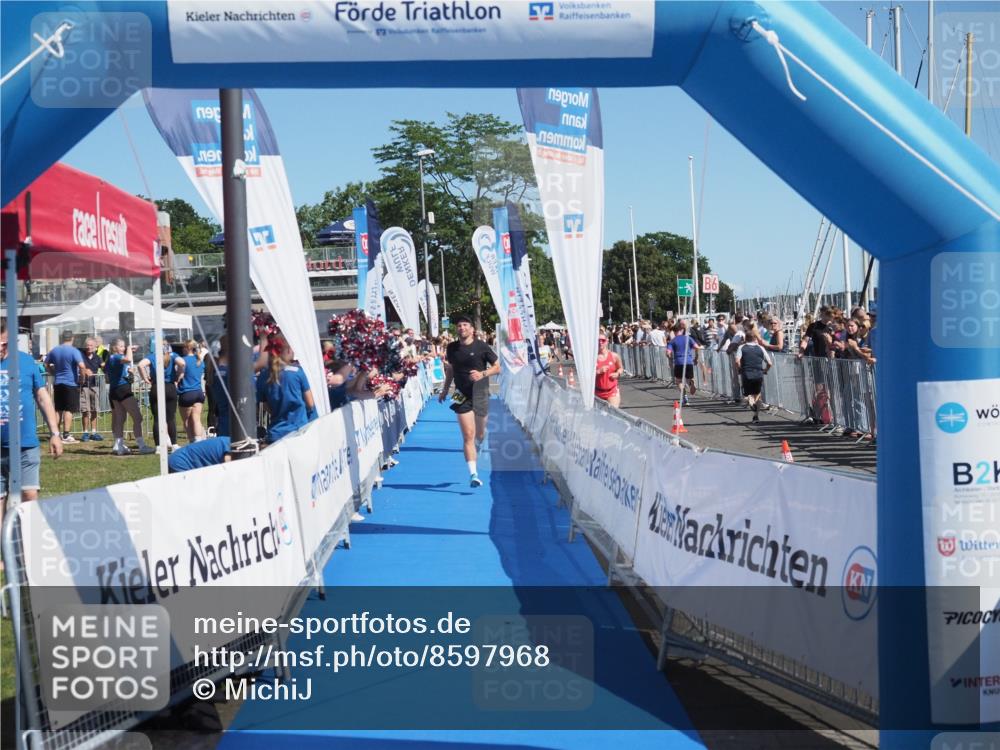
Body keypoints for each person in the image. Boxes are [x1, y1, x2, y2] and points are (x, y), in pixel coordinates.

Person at [1, 324, 63, 510]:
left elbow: (43, 398)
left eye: (4, 344)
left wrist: (55, 434)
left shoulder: (27, 362)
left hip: (25, 444)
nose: (0, 348)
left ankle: (27, 538)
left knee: (29, 495)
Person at [439, 315, 499, 488]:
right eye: (459, 325)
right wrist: (444, 390)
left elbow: (498, 367)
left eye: (465, 325)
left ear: (472, 329)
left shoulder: (481, 346)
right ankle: (473, 474)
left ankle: (478, 446)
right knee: (468, 435)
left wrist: (483, 374)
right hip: (460, 394)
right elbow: (450, 369)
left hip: (480, 393)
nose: (462, 328)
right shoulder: (452, 348)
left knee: (480, 434)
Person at [256, 335, 316, 444]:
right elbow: (310, 403)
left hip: (275, 434)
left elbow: (264, 405)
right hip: (298, 433)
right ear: (288, 350)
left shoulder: (263, 376)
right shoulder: (298, 372)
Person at [105, 338, 155, 455]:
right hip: (122, 389)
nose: (123, 348)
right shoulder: (116, 357)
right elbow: (128, 359)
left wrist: (128, 373)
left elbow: (108, 377)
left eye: (124, 346)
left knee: (120, 419)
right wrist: (129, 349)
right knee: (138, 418)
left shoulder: (110, 359)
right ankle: (141, 446)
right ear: (114, 348)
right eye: (121, 346)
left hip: (114, 390)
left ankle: (119, 446)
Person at [138, 340, 183, 451]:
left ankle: (158, 446)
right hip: (170, 387)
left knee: (157, 419)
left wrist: (145, 377)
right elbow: (182, 363)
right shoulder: (173, 355)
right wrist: (179, 376)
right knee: (170, 418)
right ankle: (174, 444)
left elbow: (140, 365)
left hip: (156, 386)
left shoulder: (153, 356)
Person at [44, 330, 86, 443]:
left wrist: (53, 372)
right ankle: (66, 435)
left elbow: (46, 364)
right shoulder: (74, 351)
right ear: (72, 338)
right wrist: (82, 378)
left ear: (62, 338)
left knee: (58, 409)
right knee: (69, 409)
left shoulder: (55, 350)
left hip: (58, 383)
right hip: (70, 383)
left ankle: (55, 434)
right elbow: (82, 366)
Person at [735, 331, 773, 423]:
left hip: (747, 373)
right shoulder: (761, 348)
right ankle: (756, 416)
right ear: (755, 339)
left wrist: (740, 369)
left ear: (745, 339)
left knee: (748, 394)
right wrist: (765, 370)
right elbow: (769, 363)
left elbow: (737, 361)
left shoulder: (741, 347)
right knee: (757, 394)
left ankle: (751, 402)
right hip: (758, 373)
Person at [177, 339, 206, 443]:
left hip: (186, 392)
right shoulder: (199, 360)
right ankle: (198, 440)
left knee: (187, 421)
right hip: (198, 392)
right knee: (197, 419)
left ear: (186, 348)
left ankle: (191, 441)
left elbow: (179, 376)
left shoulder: (182, 360)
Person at [667, 320, 701, 405]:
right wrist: (696, 358)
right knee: (689, 378)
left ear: (674, 331)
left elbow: (668, 353)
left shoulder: (672, 341)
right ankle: (691, 383)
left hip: (678, 362)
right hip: (689, 361)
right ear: (682, 330)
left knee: (679, 381)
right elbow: (697, 347)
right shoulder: (689, 338)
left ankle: (684, 397)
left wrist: (670, 359)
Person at [79, 337, 104, 442]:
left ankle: (94, 432)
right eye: (87, 345)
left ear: (95, 347)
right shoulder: (80, 355)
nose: (89, 347)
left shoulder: (98, 357)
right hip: (83, 386)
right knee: (85, 410)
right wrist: (84, 370)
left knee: (94, 410)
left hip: (94, 386)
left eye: (91, 345)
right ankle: (85, 432)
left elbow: (104, 366)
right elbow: (77, 366)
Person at [594, 333, 624, 407]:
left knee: (613, 414)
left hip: (612, 391)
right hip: (597, 392)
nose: (600, 342)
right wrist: (598, 372)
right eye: (598, 340)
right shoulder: (592, 358)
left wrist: (617, 374)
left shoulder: (614, 356)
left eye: (602, 340)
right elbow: (586, 375)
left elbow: (621, 368)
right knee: (599, 416)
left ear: (607, 341)